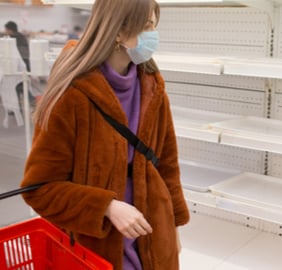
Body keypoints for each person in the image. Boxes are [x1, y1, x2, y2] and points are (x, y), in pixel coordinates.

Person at [20, 0, 190, 269]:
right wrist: (107, 207)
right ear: (118, 32)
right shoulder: (71, 93)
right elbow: (40, 188)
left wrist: (173, 226)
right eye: (146, 26)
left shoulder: (151, 83)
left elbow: (166, 163)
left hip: (152, 234)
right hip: (96, 244)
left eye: (154, 26)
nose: (153, 35)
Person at [4, 21, 36, 109]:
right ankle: (19, 106)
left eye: (6, 29)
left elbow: (15, 54)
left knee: (18, 86)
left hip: (18, 66)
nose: (5, 31)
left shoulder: (12, 39)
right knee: (20, 85)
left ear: (9, 30)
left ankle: (18, 106)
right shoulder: (21, 37)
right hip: (24, 64)